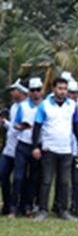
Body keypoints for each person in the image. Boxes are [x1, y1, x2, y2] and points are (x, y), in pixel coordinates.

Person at [32, 77, 78, 221]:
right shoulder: (44, 105)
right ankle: (43, 210)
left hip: (66, 149)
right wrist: (35, 146)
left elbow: (77, 126)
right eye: (60, 88)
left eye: (65, 89)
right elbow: (37, 127)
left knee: (64, 182)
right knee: (46, 180)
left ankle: (63, 210)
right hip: (49, 148)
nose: (63, 91)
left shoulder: (72, 106)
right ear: (53, 89)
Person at [11, 77, 43, 217]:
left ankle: (28, 206)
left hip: (38, 145)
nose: (35, 93)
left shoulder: (45, 106)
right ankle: (13, 207)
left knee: (34, 178)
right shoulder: (23, 106)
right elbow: (16, 124)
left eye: (38, 90)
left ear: (42, 90)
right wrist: (22, 126)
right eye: (33, 90)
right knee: (18, 177)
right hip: (23, 144)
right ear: (29, 91)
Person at [0, 79, 28, 216]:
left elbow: (24, 127)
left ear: (22, 92)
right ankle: (7, 204)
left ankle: (19, 206)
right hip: (9, 149)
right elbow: (13, 127)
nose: (12, 92)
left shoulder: (27, 108)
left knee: (19, 179)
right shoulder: (14, 107)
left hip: (20, 149)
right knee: (3, 175)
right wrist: (4, 122)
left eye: (14, 90)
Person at [67, 80, 78, 215]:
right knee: (62, 179)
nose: (74, 95)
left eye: (76, 93)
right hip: (64, 148)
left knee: (77, 180)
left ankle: (75, 205)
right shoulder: (63, 106)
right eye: (71, 92)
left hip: (77, 148)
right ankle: (59, 204)